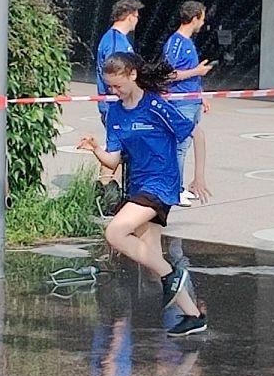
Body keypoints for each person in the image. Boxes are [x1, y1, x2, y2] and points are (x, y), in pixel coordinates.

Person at [78, 51, 208, 338]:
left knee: (115, 233)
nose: (114, 91)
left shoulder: (155, 105)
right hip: (138, 187)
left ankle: (172, 274)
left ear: (133, 75)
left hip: (161, 185)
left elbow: (196, 133)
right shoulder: (115, 112)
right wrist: (95, 149)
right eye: (110, 86)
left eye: (118, 85)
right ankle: (194, 316)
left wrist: (198, 176)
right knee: (151, 258)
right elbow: (113, 161)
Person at [162, 0, 214, 206]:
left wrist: (201, 96)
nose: (203, 22)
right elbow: (169, 74)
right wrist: (197, 71)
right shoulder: (176, 43)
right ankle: (175, 189)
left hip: (191, 101)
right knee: (180, 146)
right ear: (194, 18)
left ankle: (181, 186)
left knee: (186, 145)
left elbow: (190, 75)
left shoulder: (188, 42)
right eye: (202, 18)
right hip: (180, 102)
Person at [94, 0, 144, 207]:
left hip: (118, 104)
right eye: (137, 16)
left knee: (120, 150)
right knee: (117, 150)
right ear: (130, 16)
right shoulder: (115, 41)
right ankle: (105, 194)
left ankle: (107, 195)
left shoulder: (117, 39)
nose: (137, 20)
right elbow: (114, 75)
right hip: (116, 105)